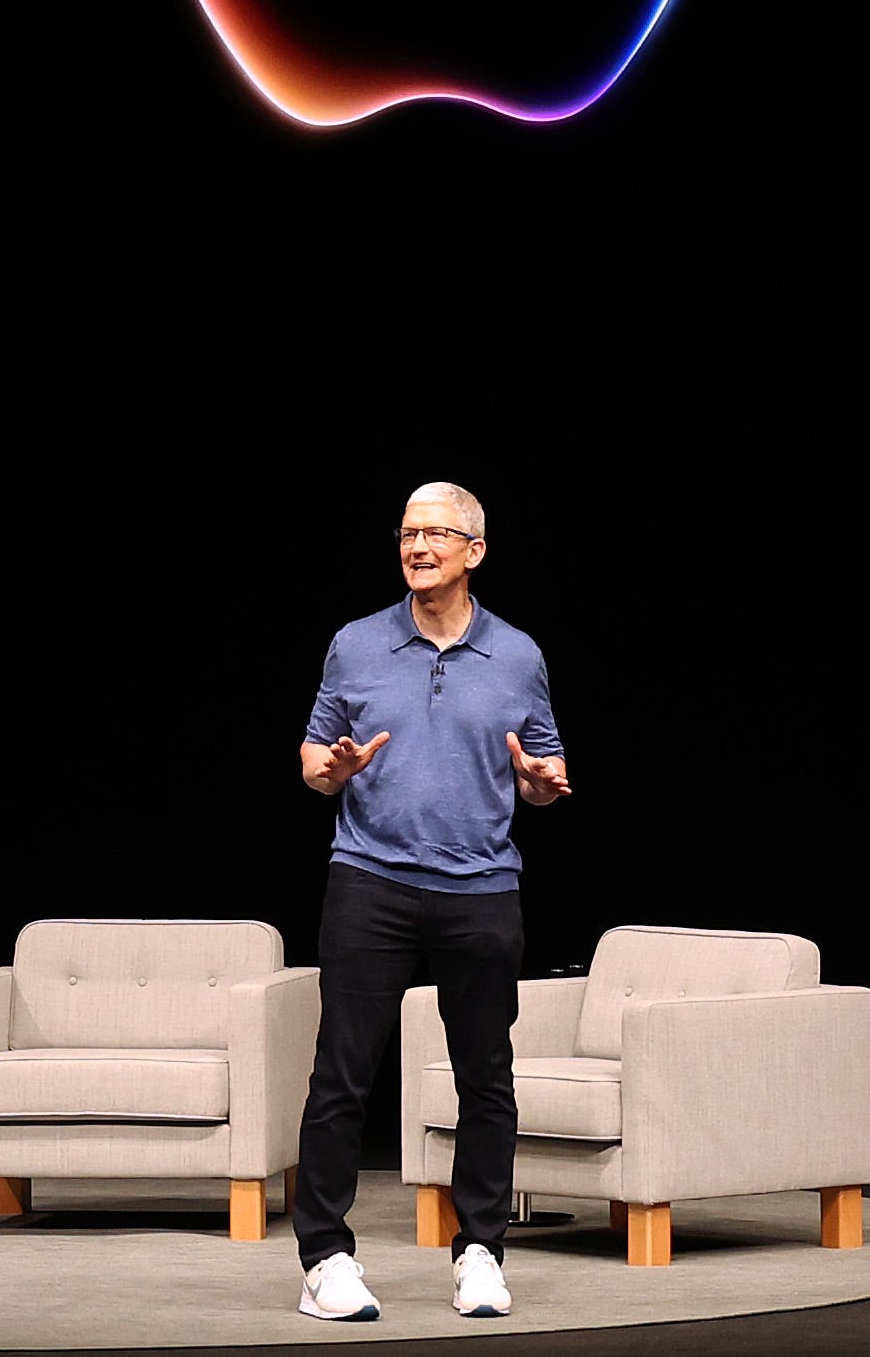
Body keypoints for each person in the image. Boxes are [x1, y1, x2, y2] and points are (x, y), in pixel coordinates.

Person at [292, 480, 571, 1323]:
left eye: (437, 534)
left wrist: (542, 786)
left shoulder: (518, 653)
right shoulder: (355, 643)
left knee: (487, 1076)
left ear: (474, 551)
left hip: (481, 887)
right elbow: (312, 753)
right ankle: (325, 1259)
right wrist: (329, 770)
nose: (418, 546)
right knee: (342, 1074)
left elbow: (546, 765)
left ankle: (481, 1249)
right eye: (408, 533)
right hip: (369, 879)